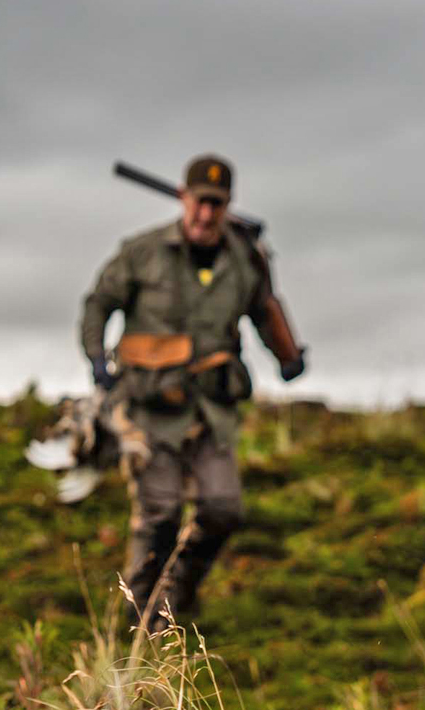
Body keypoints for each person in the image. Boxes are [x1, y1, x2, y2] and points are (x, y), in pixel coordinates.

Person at [80, 154, 306, 630]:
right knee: (159, 515)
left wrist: (288, 358)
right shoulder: (143, 252)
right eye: (200, 202)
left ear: (228, 205)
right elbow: (99, 301)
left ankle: (177, 593)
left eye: (217, 205)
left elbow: (265, 309)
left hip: (212, 409)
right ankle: (140, 624)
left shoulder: (245, 260)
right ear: (184, 199)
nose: (206, 215)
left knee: (223, 509)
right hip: (150, 406)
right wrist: (96, 356)